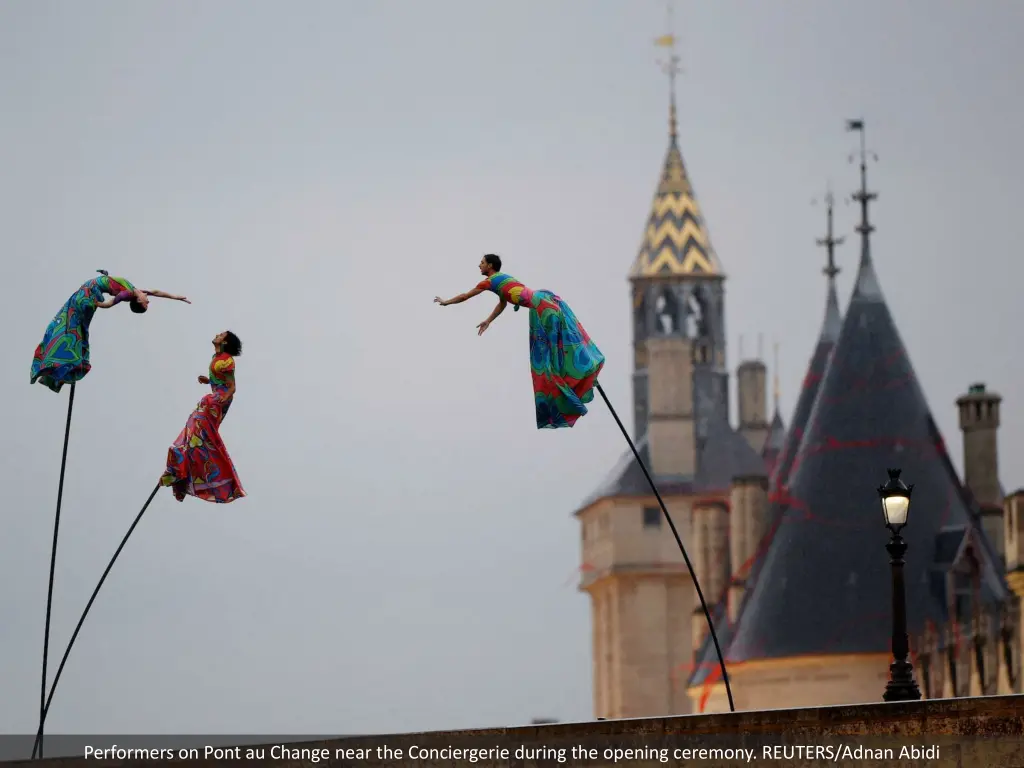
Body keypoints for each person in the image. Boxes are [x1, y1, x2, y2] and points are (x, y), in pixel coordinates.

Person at [434, 253, 605, 429]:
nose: (479, 265)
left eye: (482, 263)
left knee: (551, 362)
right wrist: (488, 320)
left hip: (543, 308)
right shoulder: (501, 280)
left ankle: (576, 382)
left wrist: (446, 302)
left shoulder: (490, 281)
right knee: (555, 354)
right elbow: (503, 303)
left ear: (490, 266)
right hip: (543, 302)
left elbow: (465, 296)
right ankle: (577, 377)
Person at [31, 270, 191, 393]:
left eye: (146, 303)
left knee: (76, 333)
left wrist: (99, 304)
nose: (148, 300)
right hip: (88, 291)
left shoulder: (128, 293)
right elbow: (157, 292)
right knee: (74, 332)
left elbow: (112, 302)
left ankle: (61, 370)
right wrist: (176, 297)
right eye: (147, 302)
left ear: (138, 301)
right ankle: (60, 370)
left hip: (89, 294)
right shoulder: (134, 290)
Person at [160, 331, 246, 504]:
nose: (217, 334)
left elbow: (232, 387)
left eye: (221, 334)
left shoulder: (227, 361)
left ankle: (182, 467)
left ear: (225, 341)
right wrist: (209, 381)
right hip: (213, 399)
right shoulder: (217, 357)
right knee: (194, 429)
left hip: (217, 401)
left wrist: (223, 397)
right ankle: (183, 467)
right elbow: (220, 380)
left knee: (198, 429)